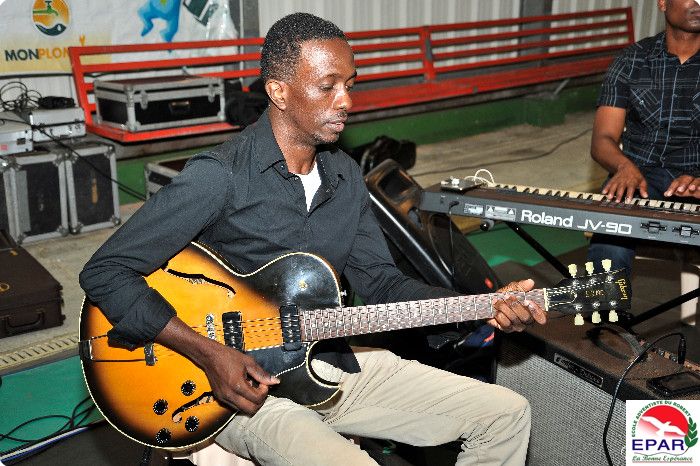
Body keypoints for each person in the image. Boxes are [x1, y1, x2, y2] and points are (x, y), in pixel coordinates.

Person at [80, 12, 547, 466]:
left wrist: (480, 307)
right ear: (278, 91)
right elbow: (105, 271)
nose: (345, 101)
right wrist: (210, 353)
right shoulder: (220, 176)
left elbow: (383, 283)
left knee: (505, 415)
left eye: (350, 85)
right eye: (328, 87)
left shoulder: (345, 176)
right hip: (234, 391)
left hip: (322, 364)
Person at [588, 0, 700, 276]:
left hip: (696, 179)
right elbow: (603, 138)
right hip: (639, 178)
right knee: (611, 241)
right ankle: (608, 302)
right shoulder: (632, 60)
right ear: (662, 2)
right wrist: (624, 167)